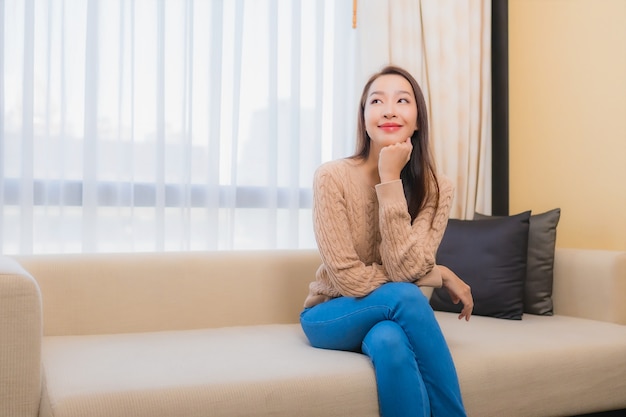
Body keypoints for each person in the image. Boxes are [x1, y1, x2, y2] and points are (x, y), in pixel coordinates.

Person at [299, 65, 473, 417]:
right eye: (377, 101)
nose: (389, 109)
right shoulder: (331, 177)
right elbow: (348, 278)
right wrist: (438, 273)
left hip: (387, 316)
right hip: (329, 315)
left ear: (418, 120)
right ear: (364, 119)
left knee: (390, 339)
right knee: (406, 296)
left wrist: (389, 179)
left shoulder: (437, 188)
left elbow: (407, 268)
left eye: (402, 100)